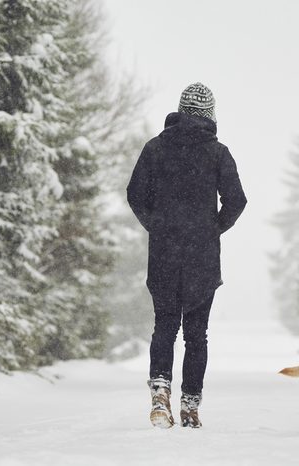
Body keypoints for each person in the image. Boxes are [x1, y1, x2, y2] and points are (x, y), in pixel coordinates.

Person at [127, 82, 247, 429]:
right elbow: (237, 200)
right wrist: (212, 229)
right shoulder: (218, 153)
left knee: (164, 326)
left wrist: (158, 225)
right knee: (197, 334)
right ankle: (190, 406)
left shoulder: (155, 148)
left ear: (179, 111)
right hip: (202, 258)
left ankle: (160, 396)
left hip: (163, 253)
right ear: (210, 115)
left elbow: (135, 194)